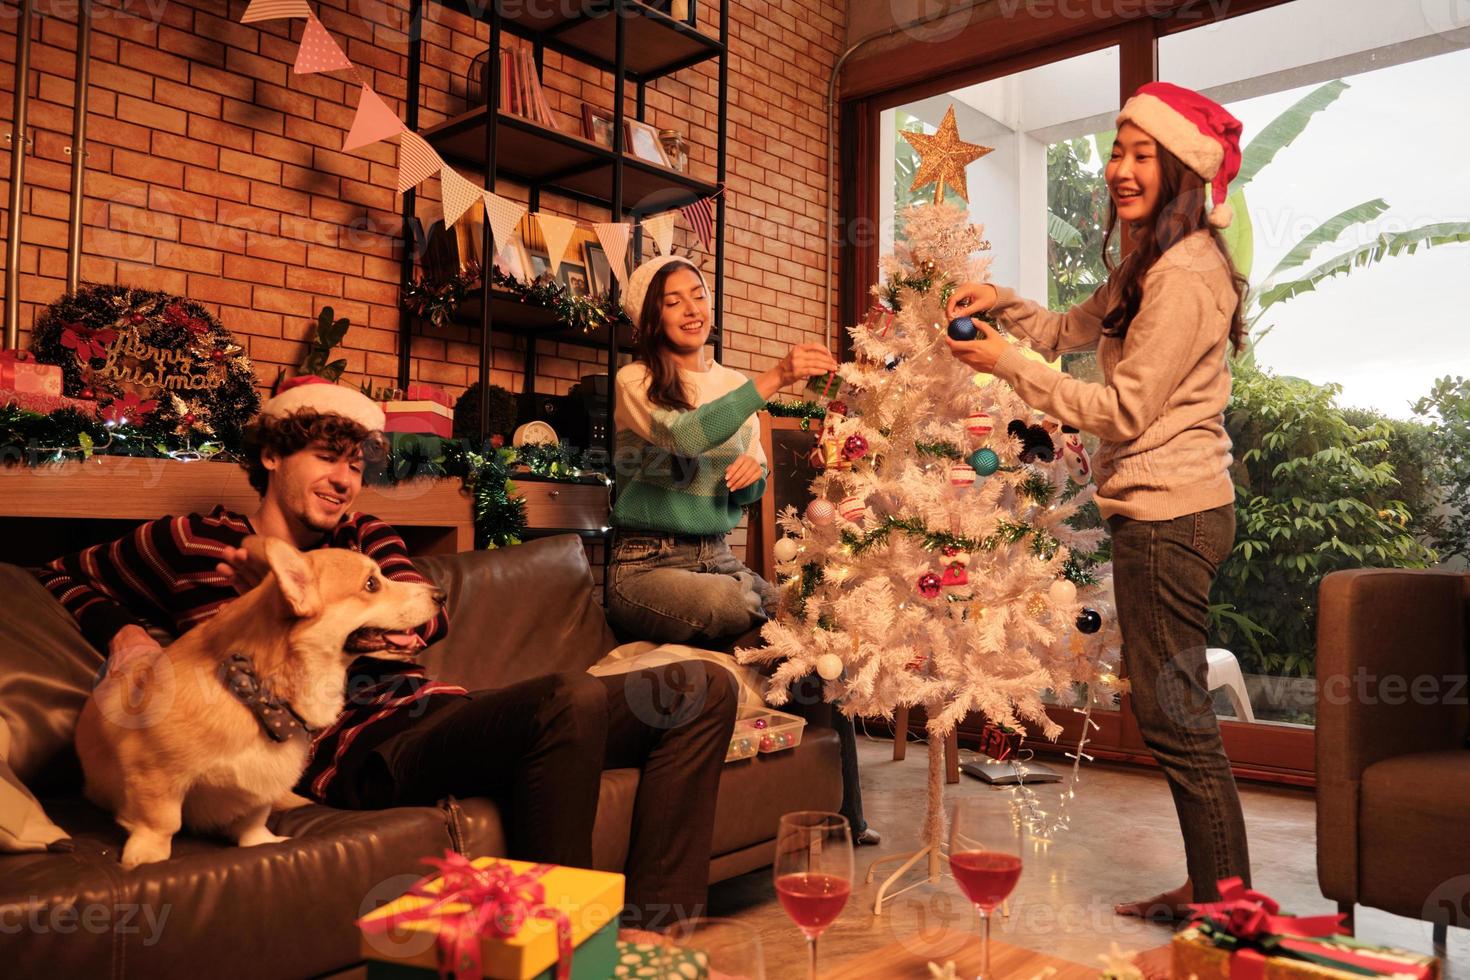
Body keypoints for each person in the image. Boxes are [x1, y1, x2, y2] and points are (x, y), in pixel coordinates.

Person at [34, 377, 736, 927]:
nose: (344, 480)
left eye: (355, 465)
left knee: (700, 689)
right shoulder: (193, 540)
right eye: (326, 458)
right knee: (569, 698)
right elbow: (58, 572)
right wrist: (126, 636)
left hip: (435, 712)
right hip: (358, 751)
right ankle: (562, 943)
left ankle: (654, 932)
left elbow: (427, 612)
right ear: (272, 454)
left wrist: (371, 614)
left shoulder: (366, 536)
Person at [944, 82, 1251, 917]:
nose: (1119, 167)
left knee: (1174, 712)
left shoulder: (1185, 273)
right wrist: (1003, 308)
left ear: (1183, 167)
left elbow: (1122, 410)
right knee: (1171, 706)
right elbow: (1067, 330)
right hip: (1159, 509)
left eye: (1141, 153)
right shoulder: (1147, 263)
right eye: (1117, 150)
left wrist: (1006, 366)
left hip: (1170, 511)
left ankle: (1226, 900)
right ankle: (1216, 887)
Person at [607, 254, 880, 845]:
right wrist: (775, 377)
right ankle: (765, 614)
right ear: (650, 317)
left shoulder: (734, 386)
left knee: (814, 630)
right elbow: (681, 436)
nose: (690, 308)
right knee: (734, 605)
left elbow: (743, 491)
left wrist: (753, 471)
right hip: (646, 566)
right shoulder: (636, 384)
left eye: (697, 294)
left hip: (720, 557)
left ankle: (847, 818)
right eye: (672, 300)